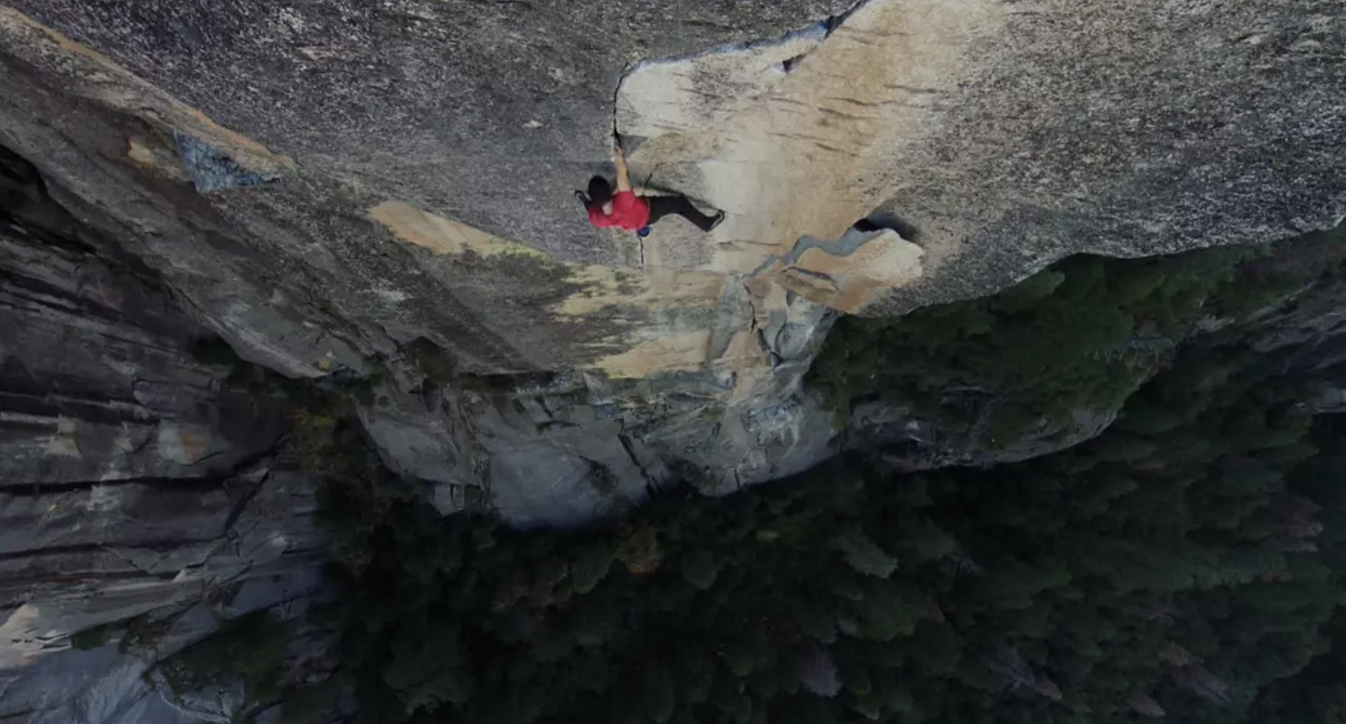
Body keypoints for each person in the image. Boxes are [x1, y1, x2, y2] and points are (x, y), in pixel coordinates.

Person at [578, 138, 724, 236]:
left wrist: (585, 200)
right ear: (610, 193)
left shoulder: (597, 218)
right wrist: (619, 157)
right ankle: (706, 224)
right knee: (680, 203)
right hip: (650, 211)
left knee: (632, 221)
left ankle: (641, 229)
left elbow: (590, 207)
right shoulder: (624, 202)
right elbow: (623, 177)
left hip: (634, 221)